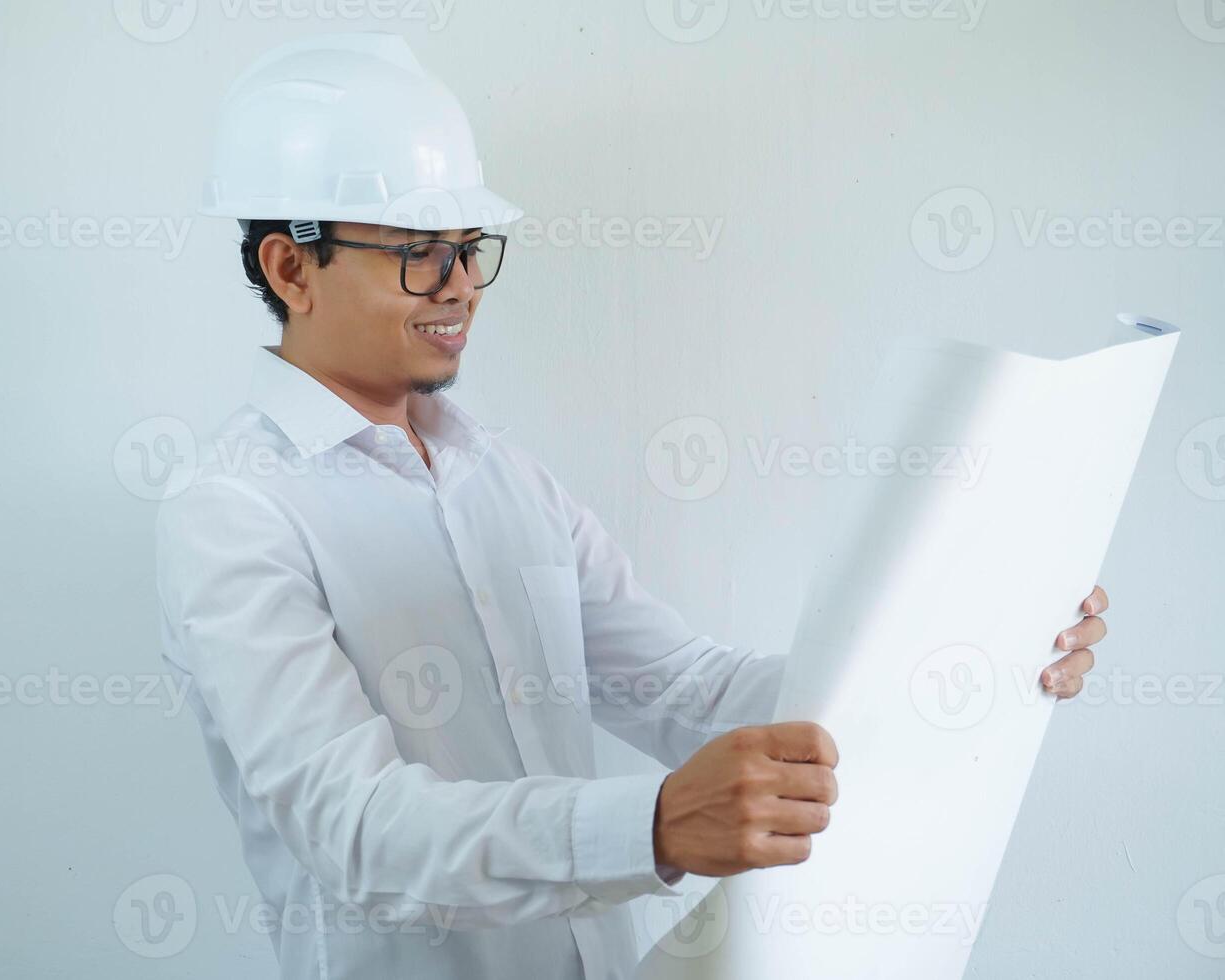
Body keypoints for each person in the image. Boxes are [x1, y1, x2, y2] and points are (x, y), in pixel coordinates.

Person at [155, 32, 1109, 980]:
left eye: (467, 249)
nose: (458, 289)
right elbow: (355, 830)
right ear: (290, 269)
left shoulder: (501, 478)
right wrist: (649, 827)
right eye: (416, 253)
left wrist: (964, 652)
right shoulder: (235, 510)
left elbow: (685, 689)